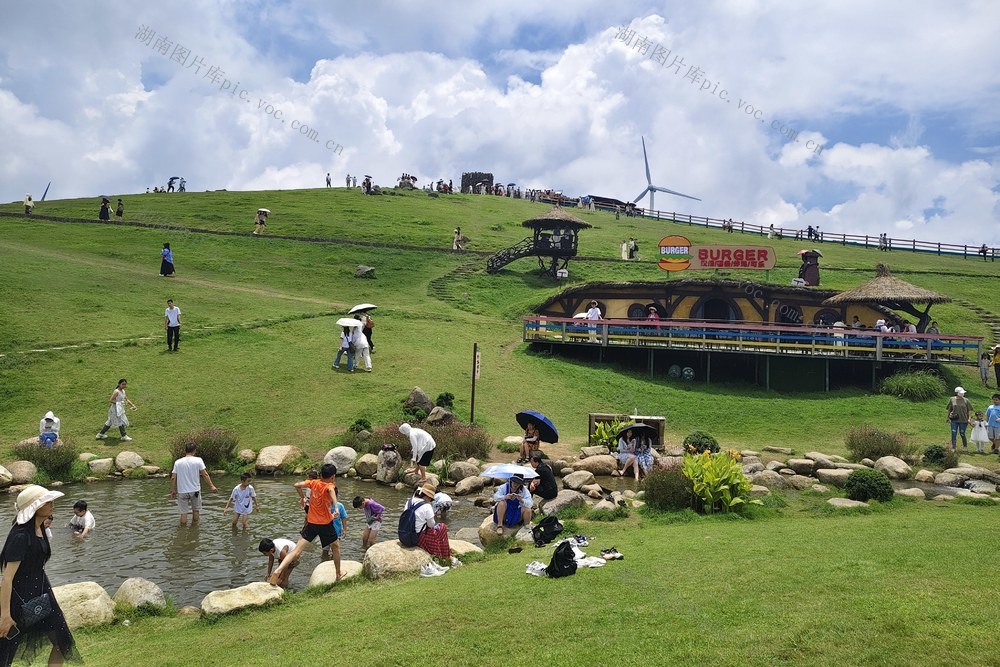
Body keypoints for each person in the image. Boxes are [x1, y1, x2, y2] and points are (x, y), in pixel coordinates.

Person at [0, 486, 79, 665]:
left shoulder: (41, 529)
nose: (52, 504)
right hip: (19, 599)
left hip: (43, 592)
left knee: (63, 642)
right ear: (34, 508)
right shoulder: (20, 536)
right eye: (46, 502)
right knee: (5, 654)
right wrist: (5, 615)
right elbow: (7, 578)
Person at [269, 463, 342, 586]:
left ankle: (278, 570)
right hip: (325, 524)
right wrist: (336, 507)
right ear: (333, 476)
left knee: (296, 551)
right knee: (335, 547)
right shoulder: (330, 485)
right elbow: (331, 490)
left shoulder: (313, 482)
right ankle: (338, 574)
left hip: (311, 523)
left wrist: (302, 498)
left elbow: (297, 485)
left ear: (321, 474)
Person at [169, 442, 218, 526]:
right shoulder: (198, 460)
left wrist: (172, 490)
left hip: (182, 491)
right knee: (196, 510)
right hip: (195, 490)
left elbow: (173, 477)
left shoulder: (178, 462)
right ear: (194, 451)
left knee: (183, 513)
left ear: (185, 451)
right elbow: (205, 474)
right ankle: (195, 529)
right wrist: (212, 486)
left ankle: (182, 530)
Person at [406, 483, 451, 560]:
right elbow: (431, 525)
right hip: (418, 537)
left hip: (407, 534)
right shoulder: (426, 506)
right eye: (431, 499)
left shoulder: (409, 502)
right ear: (427, 496)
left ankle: (445, 555)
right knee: (442, 527)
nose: (430, 501)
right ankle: (445, 555)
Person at [946, 387, 974, 451]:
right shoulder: (952, 399)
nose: (962, 394)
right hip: (954, 419)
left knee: (962, 433)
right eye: (961, 393)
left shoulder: (966, 400)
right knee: (953, 433)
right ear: (957, 393)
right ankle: (953, 447)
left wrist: (969, 418)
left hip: (963, 420)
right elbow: (949, 409)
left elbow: (969, 410)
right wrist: (947, 417)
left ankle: (965, 446)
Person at [325, 496, 348, 561]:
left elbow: (343, 517)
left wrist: (344, 529)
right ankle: (325, 562)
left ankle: (334, 563)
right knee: (325, 551)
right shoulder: (324, 505)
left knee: (335, 550)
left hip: (336, 531)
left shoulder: (340, 506)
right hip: (325, 532)